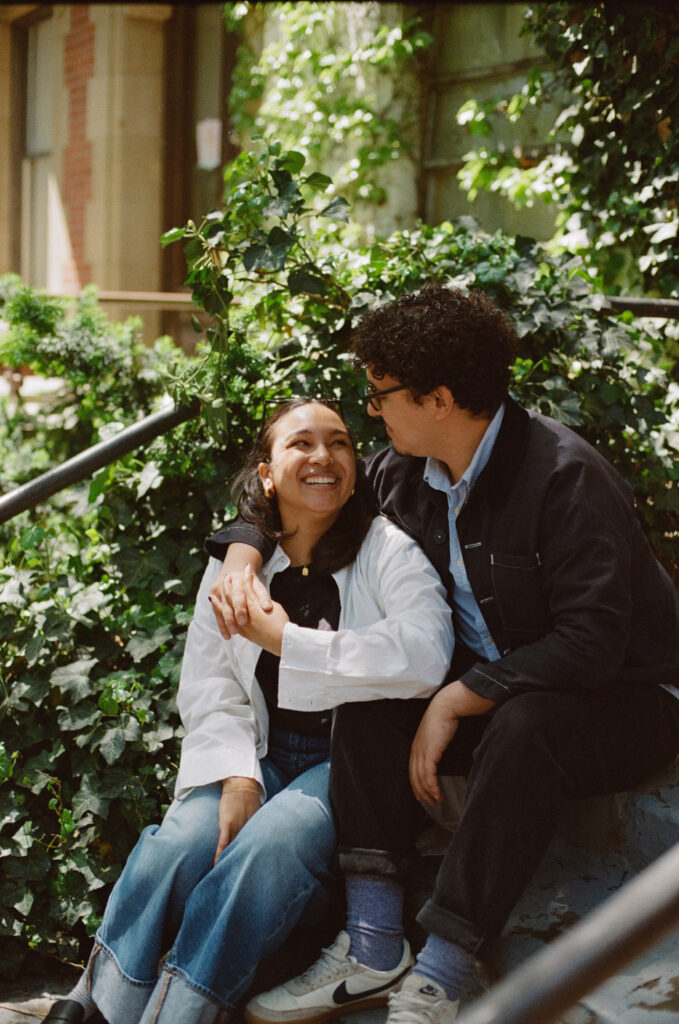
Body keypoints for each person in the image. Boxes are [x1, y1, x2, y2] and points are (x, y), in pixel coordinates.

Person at [209, 285, 679, 1024]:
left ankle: (441, 970)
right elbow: (309, 494)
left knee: (527, 726)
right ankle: (371, 945)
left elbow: (592, 644)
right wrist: (243, 549)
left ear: (438, 398)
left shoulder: (564, 477)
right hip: (507, 693)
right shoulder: (405, 474)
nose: (371, 411)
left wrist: (461, 695)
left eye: (381, 393)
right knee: (366, 698)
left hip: (626, 697)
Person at [42, 398, 454, 1024]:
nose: (323, 457)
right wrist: (238, 773)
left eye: (340, 443)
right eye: (301, 444)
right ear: (266, 473)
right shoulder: (239, 567)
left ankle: (184, 1011)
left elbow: (427, 652)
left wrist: (287, 642)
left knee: (269, 845)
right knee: (175, 845)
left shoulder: (386, 549)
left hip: (347, 767)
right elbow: (209, 683)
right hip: (258, 751)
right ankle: (103, 1007)